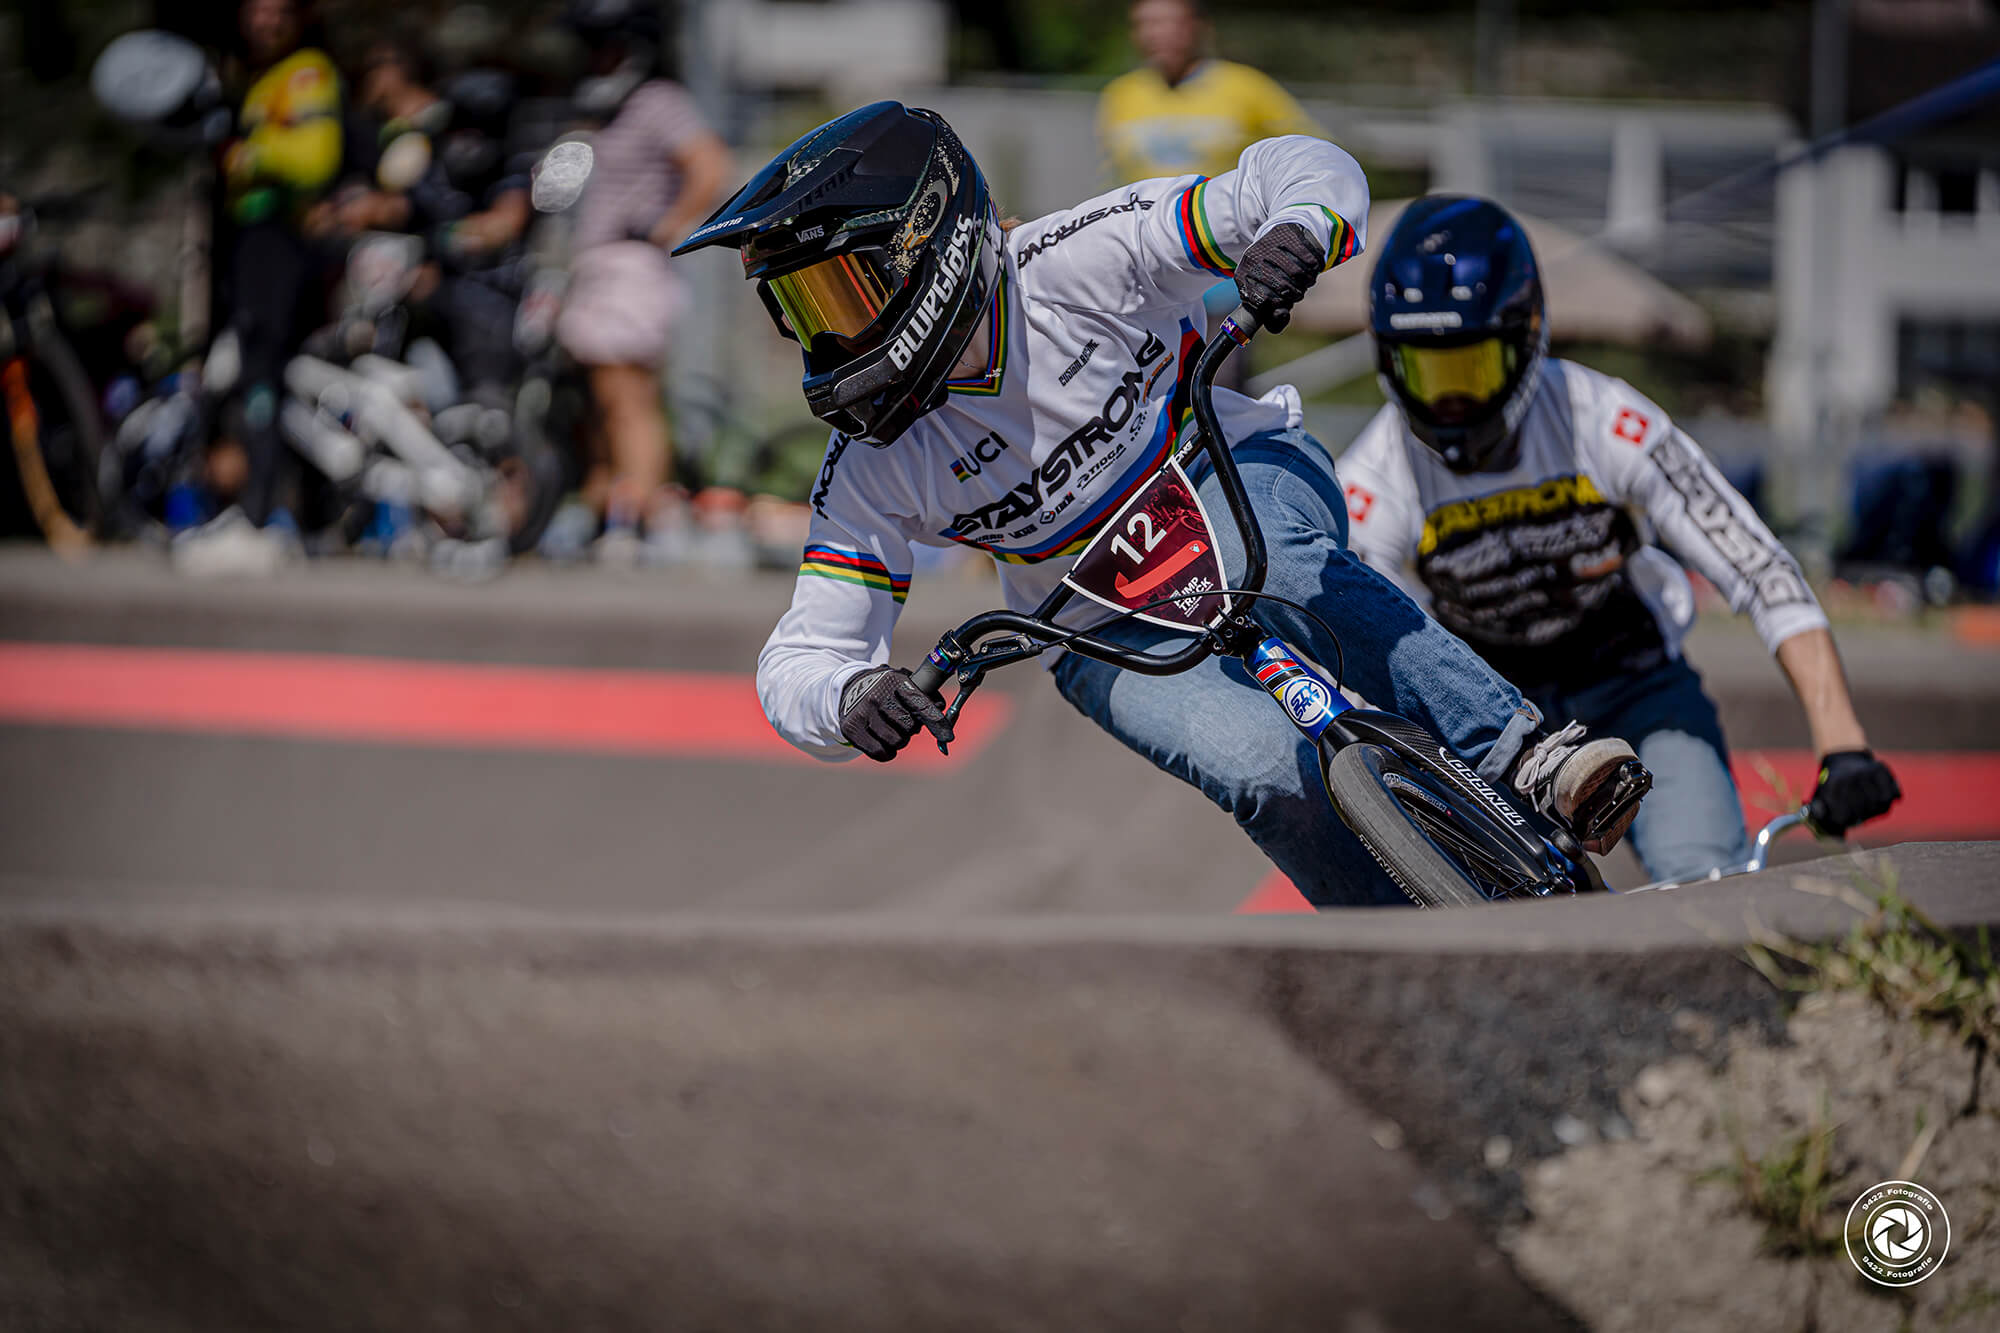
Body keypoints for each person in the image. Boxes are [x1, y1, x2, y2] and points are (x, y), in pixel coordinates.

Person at [673, 103, 1655, 907]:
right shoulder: (869, 466)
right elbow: (803, 652)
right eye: (803, 312)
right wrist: (846, 700)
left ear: (929, 243)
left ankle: (1528, 757)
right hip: (1092, 621)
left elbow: (1299, 166)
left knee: (1277, 556)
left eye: (840, 296)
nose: (826, 340)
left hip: (1232, 472)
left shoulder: (1081, 259)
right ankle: (1405, 955)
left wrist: (1298, 232)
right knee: (1260, 770)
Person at [1337, 195, 1901, 882]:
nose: (1450, 406)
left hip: (1635, 690)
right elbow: (1359, 644)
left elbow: (1755, 565)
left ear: (1527, 339)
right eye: (1428, 372)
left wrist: (1842, 741)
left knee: (1704, 884)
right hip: (1490, 717)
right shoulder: (1372, 477)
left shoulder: (1609, 420)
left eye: (1472, 369)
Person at [553, 0, 731, 565]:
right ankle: (613, 510)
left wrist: (671, 225)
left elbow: (710, 164)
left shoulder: (657, 100)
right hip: (599, 268)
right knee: (604, 403)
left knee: (630, 398)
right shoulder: (602, 109)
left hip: (632, 267)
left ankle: (638, 520)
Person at [174, 0, 344, 576]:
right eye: (254, 8)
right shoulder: (255, 78)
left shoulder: (305, 74)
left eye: (277, 9)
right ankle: (274, 517)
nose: (263, 21)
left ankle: (260, 520)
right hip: (252, 244)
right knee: (262, 381)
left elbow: (316, 156)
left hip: (276, 241)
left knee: (262, 379)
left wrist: (248, 155)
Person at [1097, 0, 1321, 187]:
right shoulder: (1120, 94)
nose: (1155, 33)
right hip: (1145, 235)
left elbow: (1315, 154)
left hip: (1229, 235)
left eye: (1168, 23)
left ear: (1201, 27)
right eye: (1143, 24)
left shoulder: (1247, 86)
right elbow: (1114, 178)